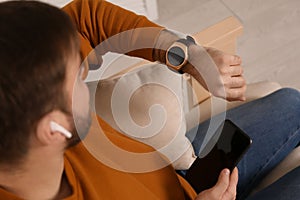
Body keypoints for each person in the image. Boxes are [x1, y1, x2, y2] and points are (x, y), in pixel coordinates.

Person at [0, 1, 299, 200]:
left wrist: (189, 56)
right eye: (77, 80)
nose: (85, 76)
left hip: (183, 178)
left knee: (291, 103)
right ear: (53, 128)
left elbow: (83, 17)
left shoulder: (22, 88)